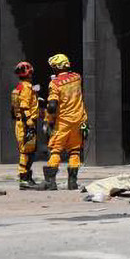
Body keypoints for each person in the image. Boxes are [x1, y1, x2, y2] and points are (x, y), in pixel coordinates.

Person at [42, 53, 87, 191]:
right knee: (75, 151)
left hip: (63, 122)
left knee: (55, 150)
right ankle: (72, 183)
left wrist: (48, 121)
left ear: (56, 67)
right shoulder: (77, 77)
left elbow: (52, 106)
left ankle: (50, 183)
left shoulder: (54, 83)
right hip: (80, 120)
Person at [9, 61, 40, 190]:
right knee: (27, 152)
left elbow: (13, 109)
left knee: (28, 151)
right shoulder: (26, 87)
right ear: (30, 73)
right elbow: (24, 106)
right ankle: (24, 179)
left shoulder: (18, 87)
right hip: (26, 123)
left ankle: (27, 177)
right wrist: (29, 123)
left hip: (19, 122)